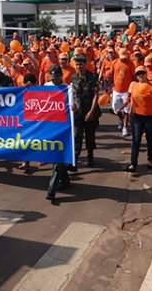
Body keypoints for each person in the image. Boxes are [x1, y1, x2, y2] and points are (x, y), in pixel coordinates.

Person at [123, 66, 152, 173]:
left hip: (150, 116)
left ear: (146, 74)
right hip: (137, 116)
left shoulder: (151, 85)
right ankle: (133, 163)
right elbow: (132, 99)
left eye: (142, 73)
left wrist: (150, 92)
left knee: (150, 139)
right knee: (136, 139)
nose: (140, 76)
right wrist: (130, 112)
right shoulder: (134, 85)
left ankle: (150, 159)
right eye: (138, 74)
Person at [44, 64, 71, 201]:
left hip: (63, 129)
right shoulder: (46, 86)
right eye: (52, 78)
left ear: (62, 76)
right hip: (49, 127)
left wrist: (74, 107)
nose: (54, 81)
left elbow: (74, 107)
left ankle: (51, 191)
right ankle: (65, 179)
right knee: (55, 157)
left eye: (56, 78)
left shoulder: (69, 89)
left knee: (56, 160)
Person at [70, 54, 100, 169]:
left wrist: (91, 112)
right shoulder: (73, 77)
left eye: (81, 64)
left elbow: (96, 95)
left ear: (85, 64)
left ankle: (90, 157)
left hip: (90, 110)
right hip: (78, 112)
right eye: (77, 64)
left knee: (90, 135)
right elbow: (72, 94)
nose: (79, 66)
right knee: (77, 136)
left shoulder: (93, 77)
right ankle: (75, 160)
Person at [110, 48, 135, 137]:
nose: (123, 59)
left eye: (125, 57)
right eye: (122, 57)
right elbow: (111, 74)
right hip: (116, 90)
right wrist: (109, 86)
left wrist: (133, 89)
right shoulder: (114, 63)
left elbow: (134, 76)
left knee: (127, 110)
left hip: (127, 91)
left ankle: (125, 127)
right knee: (115, 109)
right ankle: (121, 119)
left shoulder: (130, 64)